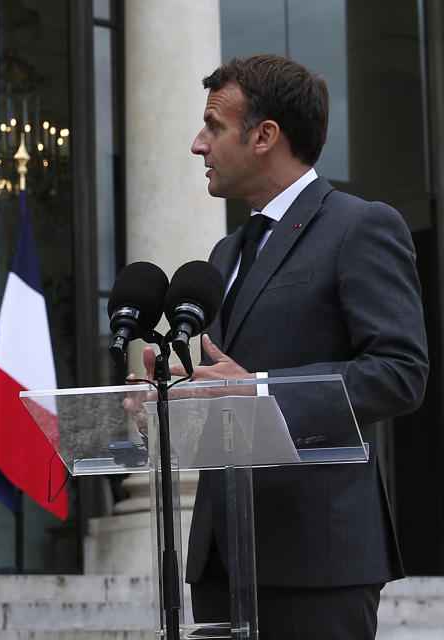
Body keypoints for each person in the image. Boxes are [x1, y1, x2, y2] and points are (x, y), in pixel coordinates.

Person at [150, 54, 428, 638]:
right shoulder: (224, 256)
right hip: (223, 559)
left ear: (264, 136)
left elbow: (400, 372)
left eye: (214, 126)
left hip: (316, 558)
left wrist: (259, 390)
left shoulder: (360, 225)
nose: (199, 144)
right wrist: (167, 395)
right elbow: (222, 389)